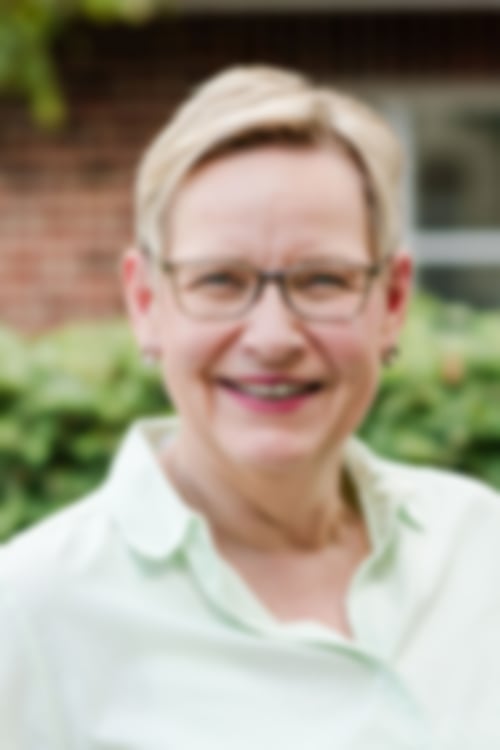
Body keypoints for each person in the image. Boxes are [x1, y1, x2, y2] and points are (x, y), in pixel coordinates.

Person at [1, 65, 500, 750]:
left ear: (391, 302)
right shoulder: (31, 614)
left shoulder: (479, 545)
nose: (272, 338)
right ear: (146, 303)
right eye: (220, 280)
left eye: (321, 280)